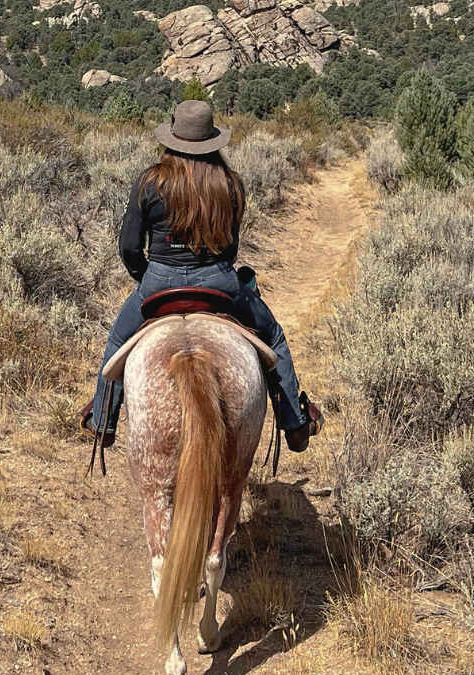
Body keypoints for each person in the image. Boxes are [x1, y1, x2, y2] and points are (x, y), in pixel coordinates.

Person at [83, 100, 322, 451]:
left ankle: (103, 422)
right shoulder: (229, 183)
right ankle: (295, 423)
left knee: (119, 342)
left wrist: (145, 280)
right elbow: (231, 251)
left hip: (158, 280)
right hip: (218, 280)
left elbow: (130, 248)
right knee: (273, 336)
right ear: (210, 140)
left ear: (172, 137)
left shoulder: (151, 182)